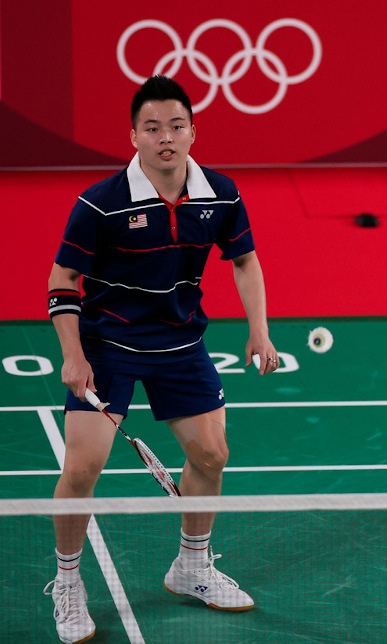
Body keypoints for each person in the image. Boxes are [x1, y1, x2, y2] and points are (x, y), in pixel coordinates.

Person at [43, 75, 280, 644]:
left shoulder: (219, 192)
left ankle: (191, 568)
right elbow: (63, 280)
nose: (166, 137)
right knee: (81, 470)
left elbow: (244, 262)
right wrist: (73, 357)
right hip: (108, 343)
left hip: (179, 342)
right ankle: (69, 582)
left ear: (193, 131)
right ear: (134, 135)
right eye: (153, 128)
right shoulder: (100, 203)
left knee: (212, 455)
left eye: (176, 126)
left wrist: (259, 332)